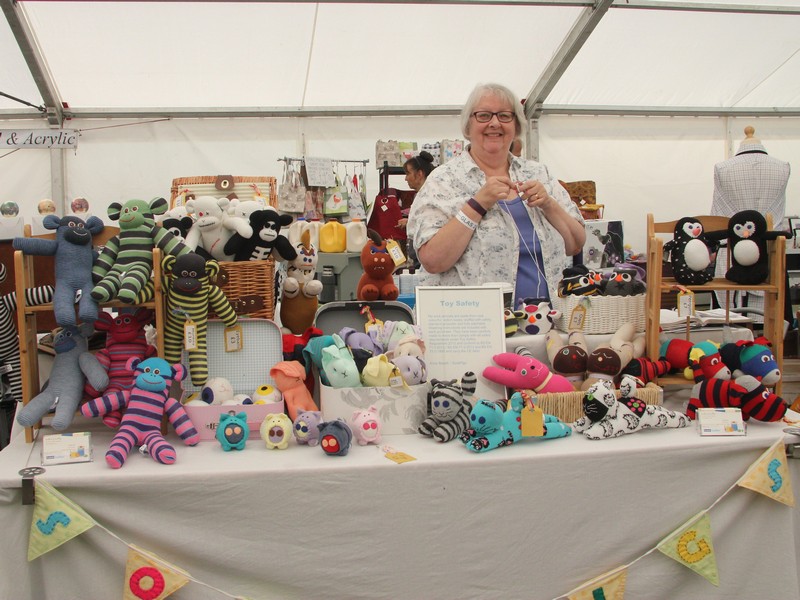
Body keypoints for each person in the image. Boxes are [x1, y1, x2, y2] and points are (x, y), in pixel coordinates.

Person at [407, 83, 585, 305]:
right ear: (468, 126)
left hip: (546, 324)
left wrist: (549, 204)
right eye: (483, 116)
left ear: (516, 126)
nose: (494, 123)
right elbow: (433, 260)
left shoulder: (538, 174)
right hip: (475, 327)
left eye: (504, 116)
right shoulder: (443, 181)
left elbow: (576, 244)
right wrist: (477, 205)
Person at [711, 126, 791, 318]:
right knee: (766, 319)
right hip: (768, 251)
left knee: (731, 319)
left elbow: (717, 213)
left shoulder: (724, 168)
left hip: (735, 251)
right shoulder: (781, 167)